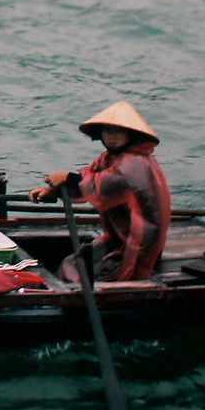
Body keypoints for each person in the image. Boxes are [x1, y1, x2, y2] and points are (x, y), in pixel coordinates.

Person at [29, 100, 171, 281]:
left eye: (119, 131)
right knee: (71, 263)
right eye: (107, 130)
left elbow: (102, 188)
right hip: (117, 239)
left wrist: (70, 178)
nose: (111, 136)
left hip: (140, 242)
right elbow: (89, 178)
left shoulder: (136, 162)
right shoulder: (109, 158)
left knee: (86, 276)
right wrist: (55, 191)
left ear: (131, 134)